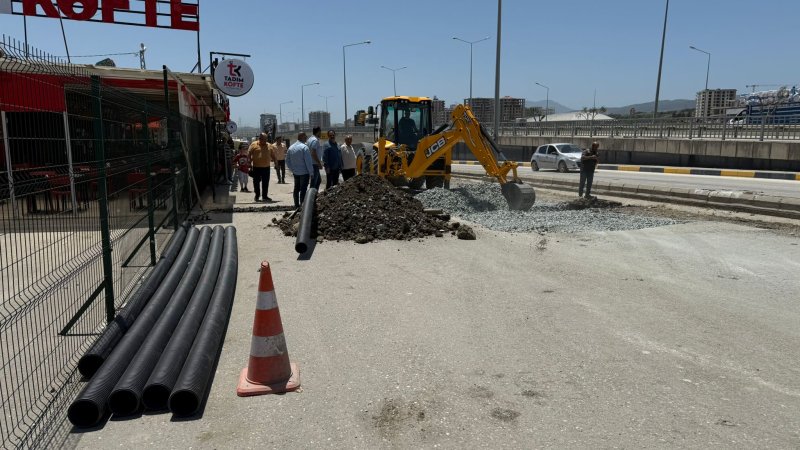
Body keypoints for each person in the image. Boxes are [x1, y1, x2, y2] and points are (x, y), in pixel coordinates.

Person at [286, 132, 314, 208]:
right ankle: (302, 206)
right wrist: (311, 173)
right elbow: (308, 162)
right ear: (301, 137)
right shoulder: (304, 147)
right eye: (305, 137)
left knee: (296, 189)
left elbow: (287, 161)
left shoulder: (291, 147)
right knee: (303, 190)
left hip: (296, 172)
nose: (306, 138)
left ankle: (296, 205)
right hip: (304, 173)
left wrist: (292, 169)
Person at [248, 132, 275, 202]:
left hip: (266, 168)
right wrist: (249, 164)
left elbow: (273, 156)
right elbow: (249, 154)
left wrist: (277, 164)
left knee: (265, 182)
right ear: (260, 139)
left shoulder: (269, 145)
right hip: (256, 167)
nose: (265, 140)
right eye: (263, 139)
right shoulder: (253, 144)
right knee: (256, 182)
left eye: (266, 139)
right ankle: (257, 195)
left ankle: (264, 196)